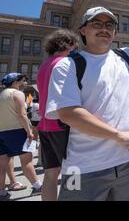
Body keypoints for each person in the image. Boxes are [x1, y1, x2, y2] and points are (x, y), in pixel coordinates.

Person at [45, 7, 129, 201]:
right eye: (97, 24)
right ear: (83, 30)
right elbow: (69, 113)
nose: (104, 29)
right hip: (83, 167)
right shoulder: (67, 65)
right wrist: (118, 135)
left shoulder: (128, 58)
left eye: (110, 25)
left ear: (115, 32)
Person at [36, 29, 79, 201]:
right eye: (73, 46)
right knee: (74, 170)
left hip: (45, 125)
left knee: (50, 173)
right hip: (62, 124)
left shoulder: (44, 65)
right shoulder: (65, 63)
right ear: (67, 44)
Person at [0, 73, 42, 201]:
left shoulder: (1, 95)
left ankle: (1, 191)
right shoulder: (17, 94)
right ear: (15, 81)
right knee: (27, 160)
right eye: (23, 81)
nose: (25, 83)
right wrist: (29, 131)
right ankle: (37, 186)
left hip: (1, 131)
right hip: (17, 130)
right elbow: (22, 115)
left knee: (2, 163)